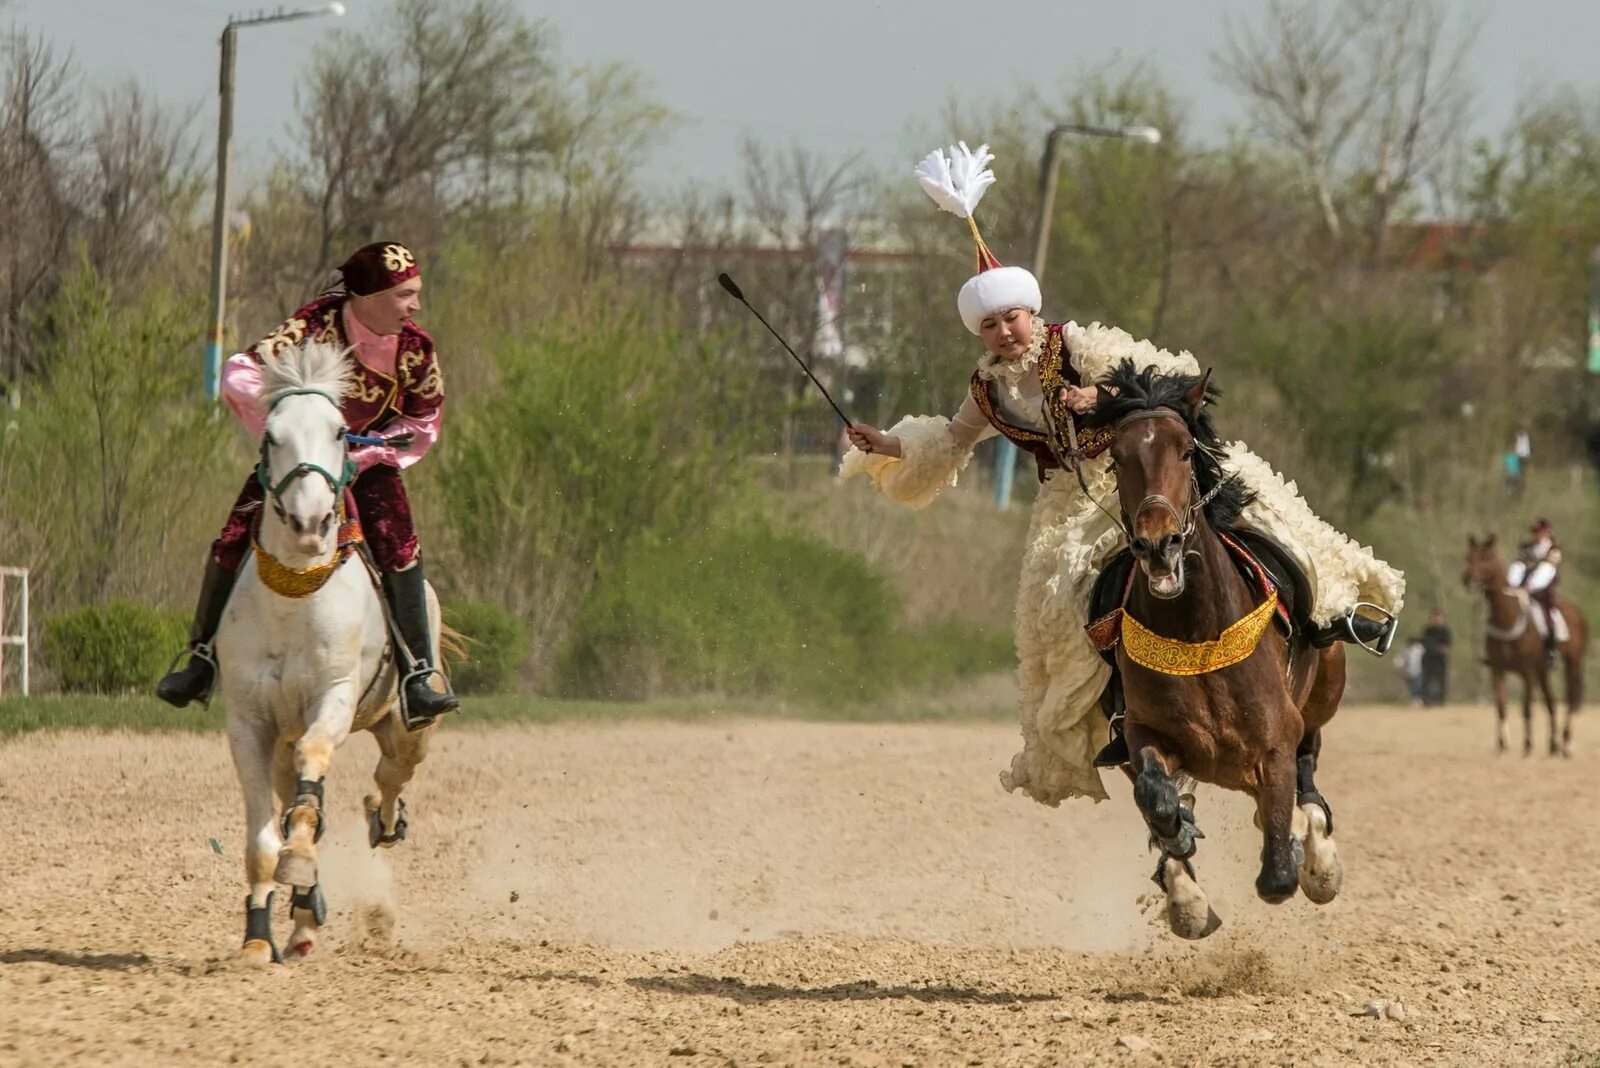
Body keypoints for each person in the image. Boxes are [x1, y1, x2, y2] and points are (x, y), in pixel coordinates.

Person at [841, 142, 1405, 806]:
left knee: (1270, 522)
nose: (1004, 332)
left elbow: (1174, 385)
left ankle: (1335, 615)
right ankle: (1111, 717)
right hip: (1071, 507)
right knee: (1058, 607)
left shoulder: (1081, 346)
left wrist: (1101, 400)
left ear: (1031, 311)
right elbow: (951, 440)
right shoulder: (989, 388)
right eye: (989, 325)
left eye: (1011, 318)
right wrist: (887, 445)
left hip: (1147, 472)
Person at [156, 241, 458, 721]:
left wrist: (370, 449)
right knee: (233, 538)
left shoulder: (417, 349)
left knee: (400, 547)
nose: (416, 305)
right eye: (405, 294)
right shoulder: (313, 326)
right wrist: (294, 422)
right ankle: (200, 659)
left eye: (416, 293)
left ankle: (418, 675)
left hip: (368, 464)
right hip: (302, 464)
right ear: (370, 294)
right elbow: (240, 373)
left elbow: (425, 421)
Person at [1508, 518, 1563, 663]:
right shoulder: (1526, 548)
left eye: (1538, 532)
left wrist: (1530, 587)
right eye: (1534, 532)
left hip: (1543, 590)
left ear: (1546, 533)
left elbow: (1547, 571)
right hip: (1521, 587)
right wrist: (1513, 584)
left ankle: (1551, 650)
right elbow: (1517, 565)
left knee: (1550, 614)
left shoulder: (1553, 551)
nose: (1535, 535)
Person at [1420, 610, 1452, 706]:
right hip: (1428, 658)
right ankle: (1426, 700)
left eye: (1439, 618)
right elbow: (1424, 642)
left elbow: (1447, 646)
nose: (1437, 620)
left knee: (1441, 680)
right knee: (1427, 679)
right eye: (1435, 618)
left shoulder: (1446, 631)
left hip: (1440, 660)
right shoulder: (1428, 630)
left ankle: (1440, 701)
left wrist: (1439, 648)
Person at [1397, 637, 1426, 706]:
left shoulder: (1420, 649)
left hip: (1418, 671)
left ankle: (1418, 699)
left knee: (1417, 685)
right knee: (1411, 686)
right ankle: (1414, 699)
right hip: (1408, 672)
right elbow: (1400, 660)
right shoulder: (1406, 651)